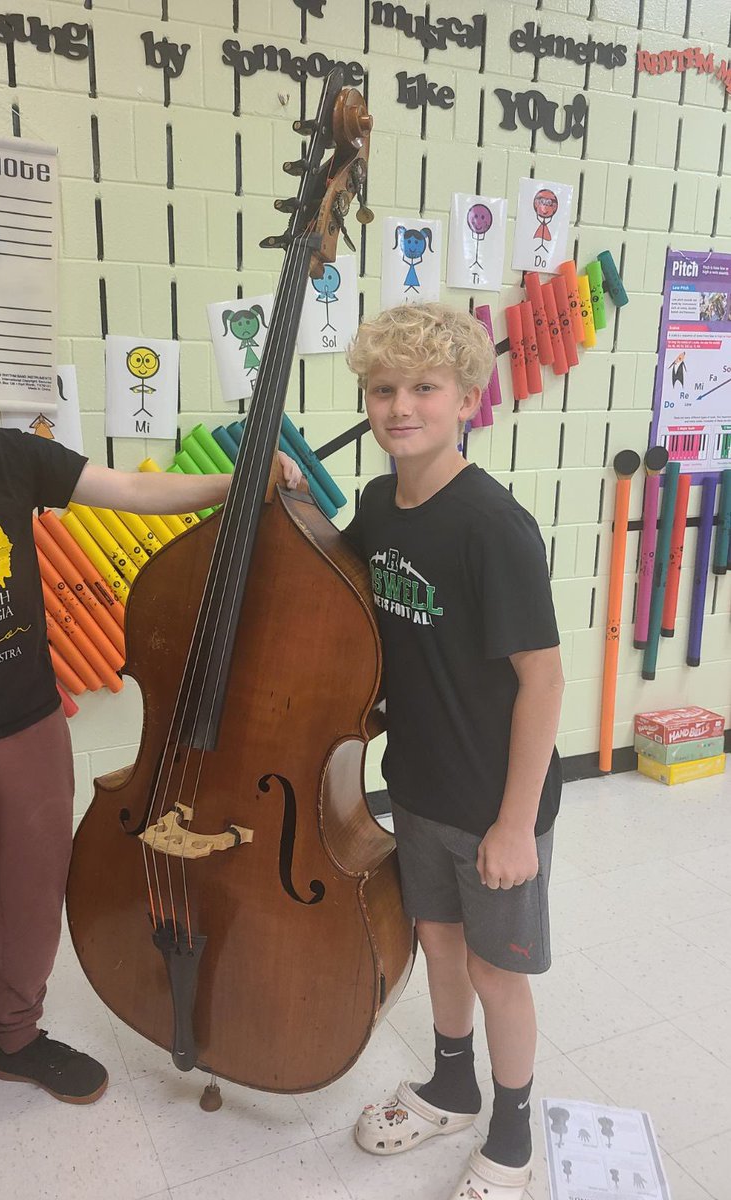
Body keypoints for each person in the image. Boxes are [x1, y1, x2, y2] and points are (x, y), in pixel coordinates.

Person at [0, 257, 301, 1164]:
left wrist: (237, 481)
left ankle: (18, 1038)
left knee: (31, 901)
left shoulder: (10, 457)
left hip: (32, 734)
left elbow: (133, 491)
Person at [343, 303, 564, 1200]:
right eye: (383, 389)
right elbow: (332, 591)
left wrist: (515, 825)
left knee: (494, 969)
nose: (401, 407)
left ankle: (512, 1131)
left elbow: (543, 682)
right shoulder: (376, 505)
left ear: (468, 399)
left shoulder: (492, 527)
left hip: (494, 800)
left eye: (425, 388)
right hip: (418, 784)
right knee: (437, 943)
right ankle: (451, 1085)